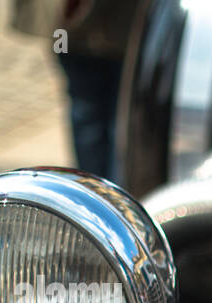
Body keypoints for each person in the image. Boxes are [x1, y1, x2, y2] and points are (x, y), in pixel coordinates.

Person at [10, 0, 137, 182]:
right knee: (96, 110)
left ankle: (100, 187)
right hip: (75, 28)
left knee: (102, 112)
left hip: (89, 26)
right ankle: (98, 188)